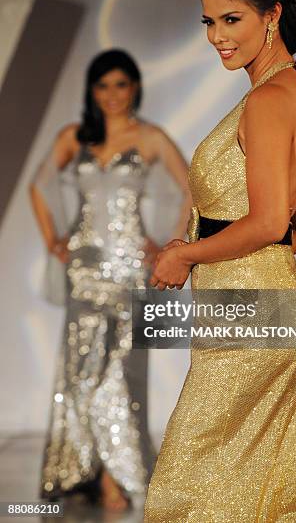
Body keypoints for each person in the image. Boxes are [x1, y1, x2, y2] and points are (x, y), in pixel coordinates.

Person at [144, 0, 296, 522]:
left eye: (231, 19)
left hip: (252, 324)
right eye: (208, 22)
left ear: (272, 13)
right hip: (268, 313)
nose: (217, 37)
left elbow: (267, 222)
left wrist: (186, 254)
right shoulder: (289, 92)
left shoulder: (265, 103)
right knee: (264, 500)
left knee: (190, 496)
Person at [30, 49, 192, 512]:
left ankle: (117, 478)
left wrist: (168, 245)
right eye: (103, 85)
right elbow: (39, 187)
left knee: (122, 369)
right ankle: (85, 471)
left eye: (121, 84)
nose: (113, 95)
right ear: (92, 90)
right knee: (81, 369)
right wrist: (53, 241)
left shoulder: (150, 137)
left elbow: (191, 191)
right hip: (85, 267)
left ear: (135, 87)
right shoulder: (76, 136)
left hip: (130, 270)